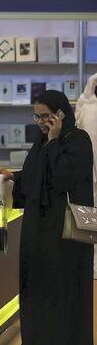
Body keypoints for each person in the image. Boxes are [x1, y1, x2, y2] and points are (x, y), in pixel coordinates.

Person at [0, 90, 94, 344]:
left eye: (45, 116)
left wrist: (56, 140)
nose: (40, 123)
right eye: (36, 117)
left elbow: (62, 179)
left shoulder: (78, 140)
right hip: (38, 231)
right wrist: (13, 175)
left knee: (62, 294)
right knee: (37, 291)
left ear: (60, 114)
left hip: (64, 234)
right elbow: (36, 176)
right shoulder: (42, 142)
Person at [75, 72, 97, 278]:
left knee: (89, 220)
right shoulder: (87, 109)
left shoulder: (85, 108)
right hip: (89, 172)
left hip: (87, 174)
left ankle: (92, 266)